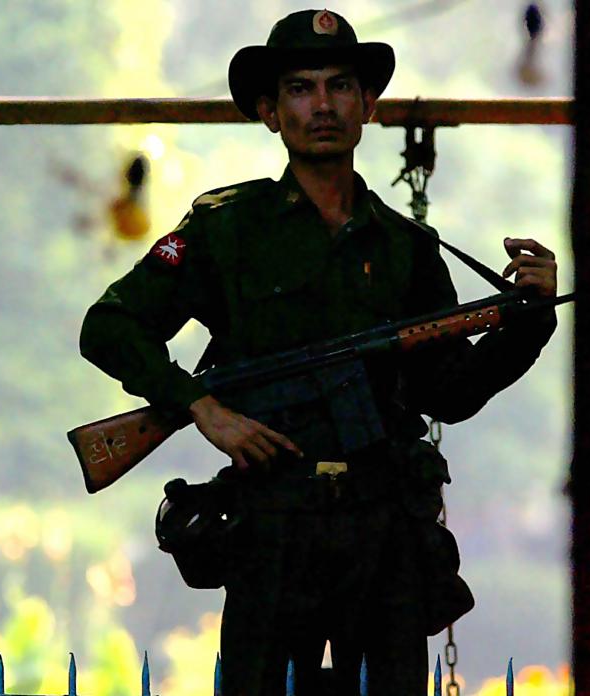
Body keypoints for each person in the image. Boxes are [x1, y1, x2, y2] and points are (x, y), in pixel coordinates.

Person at [78, 8, 558, 696]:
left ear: (368, 105)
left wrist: (528, 321)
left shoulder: (407, 247)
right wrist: (201, 406)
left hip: (384, 530)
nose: (323, 105)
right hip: (270, 526)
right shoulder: (228, 230)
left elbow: (448, 392)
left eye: (340, 86)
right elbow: (110, 327)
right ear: (271, 112)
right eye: (301, 88)